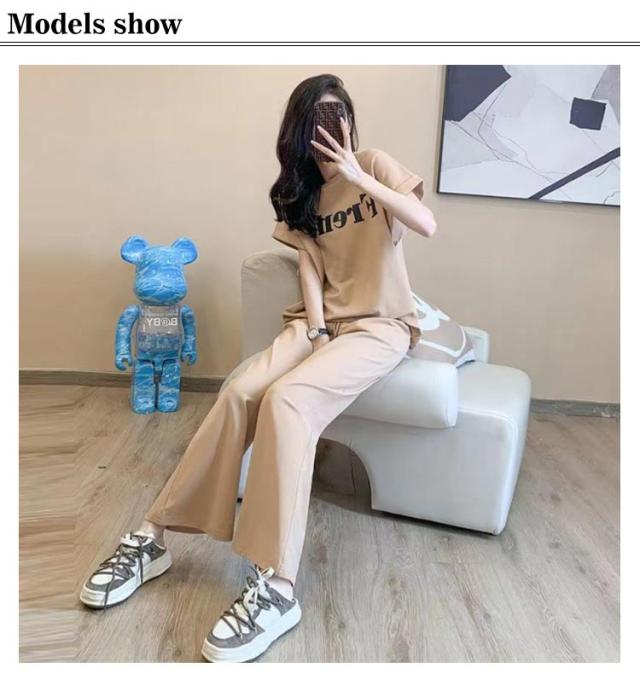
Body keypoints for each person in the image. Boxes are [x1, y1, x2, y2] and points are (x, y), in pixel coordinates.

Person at [79, 73, 437, 663]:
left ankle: (278, 586)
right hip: (319, 322)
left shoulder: (373, 165)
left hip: (380, 325)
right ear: (300, 128)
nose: (332, 125)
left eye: (340, 113)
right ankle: (153, 537)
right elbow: (311, 270)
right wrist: (316, 333)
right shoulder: (299, 196)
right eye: (319, 117)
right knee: (240, 389)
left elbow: (425, 224)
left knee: (288, 400)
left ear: (351, 122)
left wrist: (359, 176)